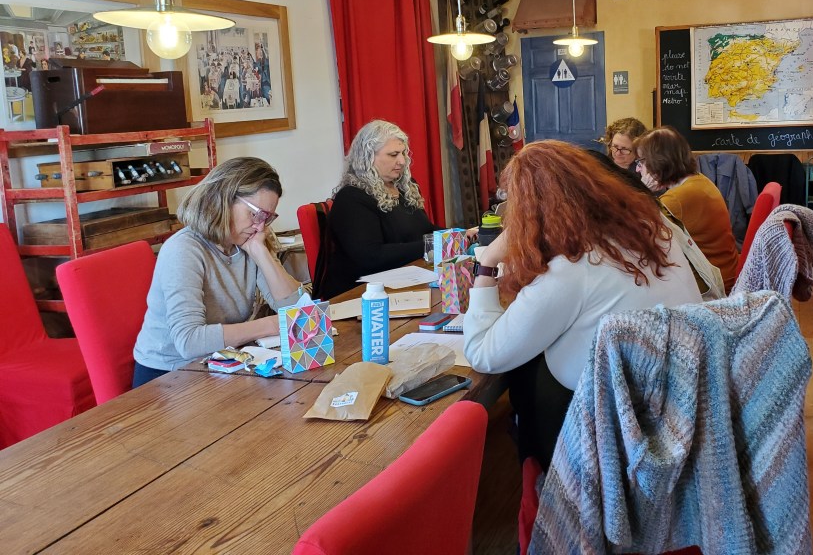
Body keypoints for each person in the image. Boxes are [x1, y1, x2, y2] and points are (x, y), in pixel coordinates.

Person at [464, 140, 702, 468]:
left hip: (609, 434)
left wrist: (488, 261)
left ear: (530, 214)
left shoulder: (571, 269)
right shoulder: (651, 231)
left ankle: (541, 476)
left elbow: (482, 353)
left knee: (525, 370)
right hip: (680, 403)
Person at [132, 157, 302, 387]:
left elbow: (299, 311)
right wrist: (270, 325)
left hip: (218, 364)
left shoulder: (247, 242)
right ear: (224, 199)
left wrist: (261, 254)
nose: (260, 226)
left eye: (267, 218)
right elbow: (189, 341)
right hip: (168, 375)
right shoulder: (183, 249)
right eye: (256, 214)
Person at [319, 120, 438, 299]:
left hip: (404, 281)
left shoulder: (405, 188)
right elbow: (371, 257)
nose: (402, 161)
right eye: (393, 154)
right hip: (360, 294)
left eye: (403, 153)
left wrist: (458, 235)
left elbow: (426, 230)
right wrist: (433, 245)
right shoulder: (351, 198)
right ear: (368, 157)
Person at [634, 126, 740, 291]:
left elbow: (637, 236)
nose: (637, 169)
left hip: (711, 287)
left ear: (658, 161)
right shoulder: (699, 180)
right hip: (725, 274)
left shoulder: (676, 199)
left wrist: (642, 191)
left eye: (641, 162)